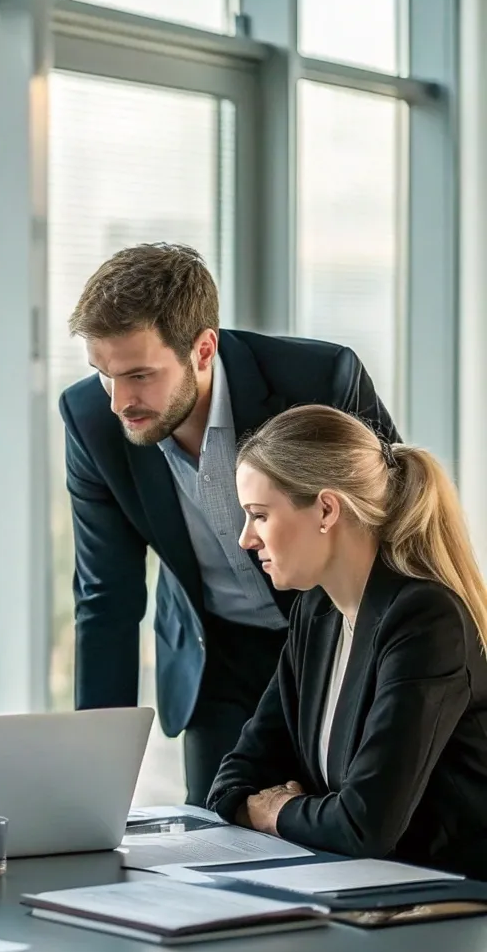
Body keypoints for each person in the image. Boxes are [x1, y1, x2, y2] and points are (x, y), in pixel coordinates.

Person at [59, 242, 399, 804]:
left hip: (332, 637)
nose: (120, 401)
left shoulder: (318, 380)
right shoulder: (92, 419)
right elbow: (106, 600)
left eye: (140, 375)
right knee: (218, 842)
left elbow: (393, 528)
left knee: (337, 834)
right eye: (104, 374)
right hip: (212, 656)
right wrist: (95, 781)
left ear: (203, 349)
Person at [207, 405, 487, 877]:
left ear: (326, 509)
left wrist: (273, 812)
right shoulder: (316, 613)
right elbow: (233, 781)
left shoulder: (425, 621)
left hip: (450, 902)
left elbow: (364, 824)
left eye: (259, 515)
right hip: (361, 888)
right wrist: (292, 810)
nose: (245, 540)